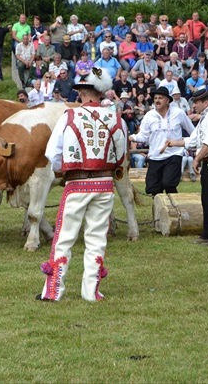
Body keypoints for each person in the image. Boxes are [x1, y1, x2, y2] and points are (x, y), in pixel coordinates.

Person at [37, 68, 126, 302]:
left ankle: (54, 290)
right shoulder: (116, 118)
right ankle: (91, 291)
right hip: (105, 184)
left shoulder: (69, 117)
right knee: (97, 237)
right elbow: (121, 153)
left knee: (65, 237)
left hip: (77, 183)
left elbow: (52, 153)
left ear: (84, 93)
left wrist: (63, 168)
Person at [165, 89, 208, 245]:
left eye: (196, 102)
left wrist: (196, 159)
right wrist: (173, 142)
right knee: (207, 199)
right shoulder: (205, 117)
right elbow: (193, 140)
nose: (193, 106)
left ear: (205, 102)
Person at [129, 86, 194, 196]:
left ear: (168, 100)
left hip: (174, 155)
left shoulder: (178, 113)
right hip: (155, 155)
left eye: (160, 98)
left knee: (168, 183)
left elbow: (193, 131)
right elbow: (143, 135)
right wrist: (131, 137)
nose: (157, 101)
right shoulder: (149, 115)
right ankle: (159, 212)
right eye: (155, 98)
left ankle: (174, 208)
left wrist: (184, 142)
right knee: (152, 188)